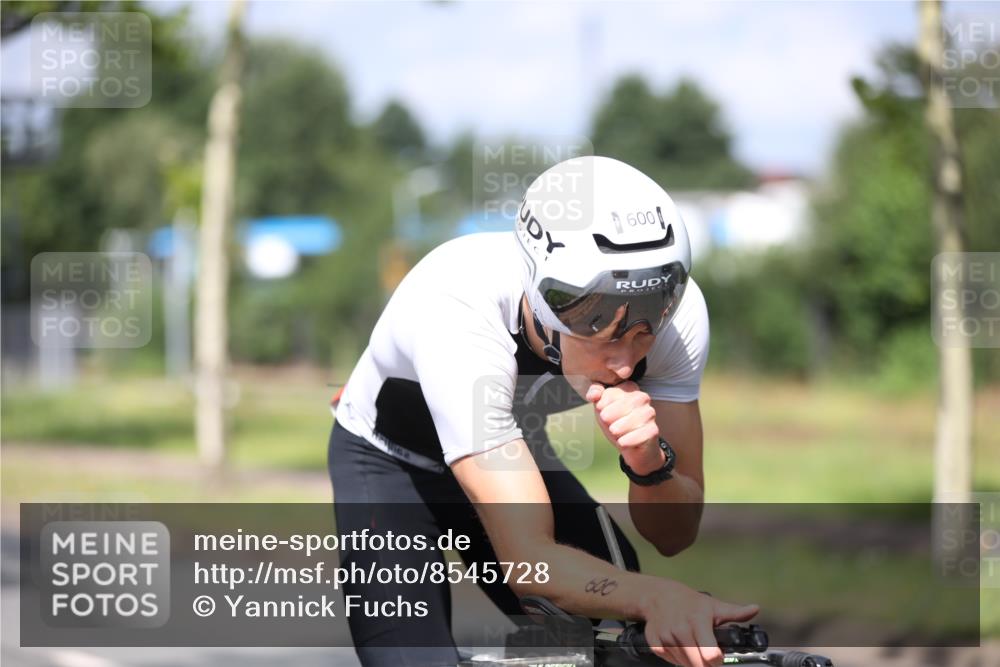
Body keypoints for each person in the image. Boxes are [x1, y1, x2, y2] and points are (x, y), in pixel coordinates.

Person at [328, 155, 758, 667]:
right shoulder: (460, 309)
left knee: (631, 639)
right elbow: (529, 561)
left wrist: (649, 461)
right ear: (547, 301)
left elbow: (675, 534)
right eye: (603, 328)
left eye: (644, 329)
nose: (625, 360)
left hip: (511, 438)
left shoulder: (677, 318)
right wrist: (655, 595)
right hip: (392, 461)